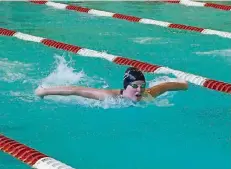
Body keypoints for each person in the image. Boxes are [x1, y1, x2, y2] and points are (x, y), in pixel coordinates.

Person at [35, 67, 188, 102]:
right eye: (135, 86)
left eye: (142, 85)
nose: (140, 90)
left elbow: (167, 86)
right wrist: (45, 91)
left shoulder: (148, 94)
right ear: (126, 86)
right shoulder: (109, 97)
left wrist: (184, 83)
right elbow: (76, 90)